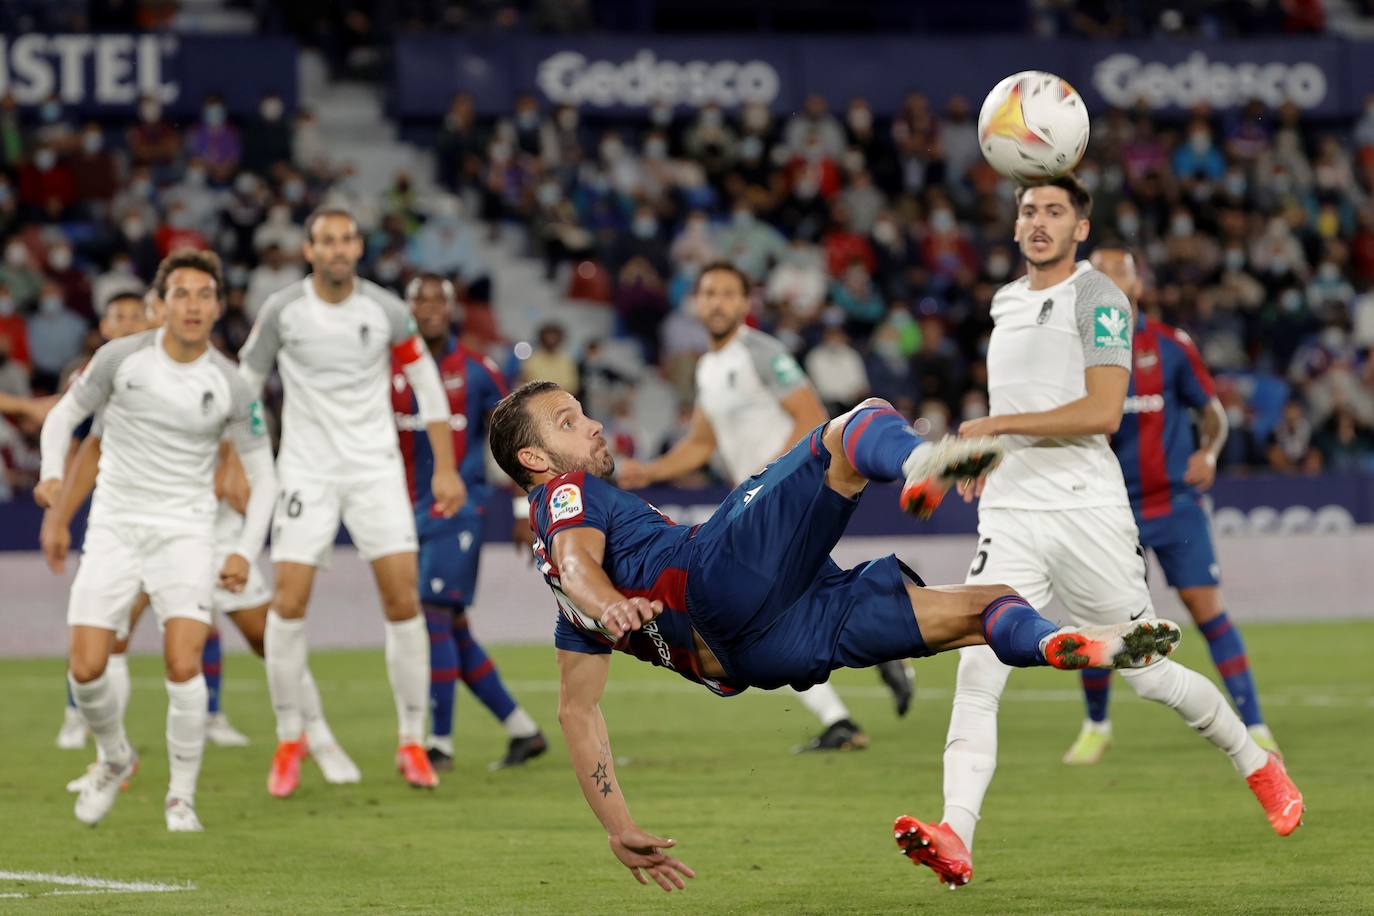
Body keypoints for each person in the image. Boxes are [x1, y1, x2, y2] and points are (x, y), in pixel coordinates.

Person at [489, 379, 1182, 892]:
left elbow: (577, 712)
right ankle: (921, 464)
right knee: (849, 431)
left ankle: (1075, 643)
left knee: (982, 607)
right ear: (537, 459)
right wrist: (610, 603)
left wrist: (618, 826)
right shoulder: (564, 493)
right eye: (568, 421)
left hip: (758, 651)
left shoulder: (565, 610)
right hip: (714, 577)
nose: (593, 427)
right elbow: (579, 561)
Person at [898, 176, 1303, 891]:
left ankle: (1258, 763)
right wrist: (979, 457)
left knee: (1146, 677)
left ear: (1079, 227)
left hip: (1087, 510)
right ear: (1016, 224)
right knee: (977, 667)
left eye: (1055, 211)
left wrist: (994, 427)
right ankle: (955, 831)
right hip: (1012, 514)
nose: (1039, 222)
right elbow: (1018, 406)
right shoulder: (1004, 301)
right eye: (1028, 211)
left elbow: (1102, 412)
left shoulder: (1099, 297)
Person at [617, 262, 913, 751]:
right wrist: (648, 473)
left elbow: (814, 418)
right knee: (790, 608)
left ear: (744, 303)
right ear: (696, 303)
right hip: (754, 507)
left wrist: (781, 481)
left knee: (757, 619)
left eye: (728, 293)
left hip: (781, 498)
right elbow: (700, 444)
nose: (717, 302)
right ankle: (863, 683)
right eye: (708, 293)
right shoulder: (709, 367)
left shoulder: (761, 351)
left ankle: (876, 658)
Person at [35, 248, 277, 831]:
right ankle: (116, 757)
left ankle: (181, 798)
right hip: (115, 528)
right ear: (161, 303)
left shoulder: (231, 385)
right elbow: (62, 418)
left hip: (185, 534)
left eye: (203, 295)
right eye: (181, 294)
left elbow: (264, 475)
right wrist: (50, 472)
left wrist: (243, 549)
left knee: (182, 661)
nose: (192, 306)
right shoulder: (120, 359)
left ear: (218, 307)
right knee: (86, 668)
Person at [238, 207, 463, 796]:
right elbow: (244, 384)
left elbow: (427, 384)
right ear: (308, 250)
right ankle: (291, 739)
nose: (337, 250)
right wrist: (247, 457)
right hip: (306, 473)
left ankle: (412, 742)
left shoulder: (384, 309)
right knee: (287, 604)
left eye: (346, 240)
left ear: (358, 248)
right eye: (326, 241)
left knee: (401, 601)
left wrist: (443, 466)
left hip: (374, 471)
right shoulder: (283, 311)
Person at [1062, 248, 1278, 765]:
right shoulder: (1073, 352)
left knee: (1209, 613)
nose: (1112, 280)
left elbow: (1214, 414)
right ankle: (1097, 725)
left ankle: (1255, 724)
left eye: (1121, 271)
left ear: (1138, 285)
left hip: (1174, 506)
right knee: (1096, 623)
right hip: (1109, 512)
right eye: (1100, 273)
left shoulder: (1171, 347)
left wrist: (1208, 453)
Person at [395, 273, 546, 771]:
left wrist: (526, 510)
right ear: (407, 307)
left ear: (452, 308)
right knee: (452, 628)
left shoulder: (479, 371)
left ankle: (438, 743)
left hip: (458, 510)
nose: (430, 308)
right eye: (420, 299)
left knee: (434, 615)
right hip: (398, 510)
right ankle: (523, 730)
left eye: (438, 300)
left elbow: (515, 441)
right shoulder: (387, 368)